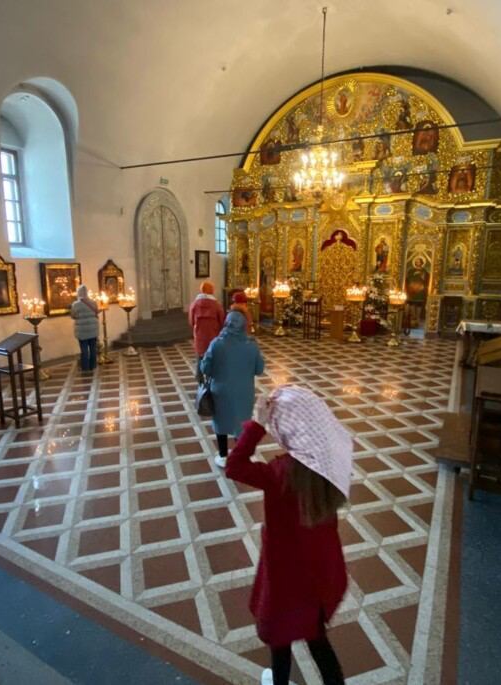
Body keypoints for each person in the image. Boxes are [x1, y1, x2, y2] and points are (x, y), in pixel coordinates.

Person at [225, 385, 352, 685]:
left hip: (284, 573)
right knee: (316, 637)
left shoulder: (279, 472)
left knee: (280, 638)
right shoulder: (330, 468)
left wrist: (257, 424)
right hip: (319, 569)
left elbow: (234, 466)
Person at [199, 311, 263, 468]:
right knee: (241, 424)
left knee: (221, 423)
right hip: (244, 392)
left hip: (220, 392)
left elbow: (205, 369)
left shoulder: (217, 343)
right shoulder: (251, 346)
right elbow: (259, 369)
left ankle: (222, 456)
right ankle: (241, 457)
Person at [189, 281, 224, 376]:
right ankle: (212, 377)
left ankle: (199, 377)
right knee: (213, 356)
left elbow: (191, 321)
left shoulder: (195, 304)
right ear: (211, 291)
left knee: (200, 356)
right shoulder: (216, 305)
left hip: (200, 335)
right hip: (213, 335)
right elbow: (222, 321)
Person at [70, 284, 99, 372]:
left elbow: (73, 315)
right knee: (93, 348)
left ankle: (85, 367)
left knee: (84, 349)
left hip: (82, 330)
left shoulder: (76, 304)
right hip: (93, 329)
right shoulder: (93, 302)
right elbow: (96, 312)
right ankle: (93, 365)